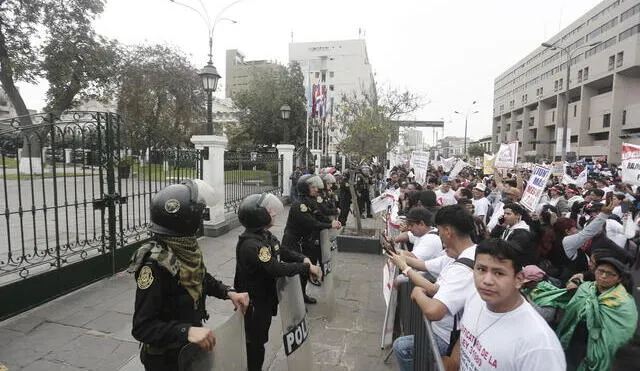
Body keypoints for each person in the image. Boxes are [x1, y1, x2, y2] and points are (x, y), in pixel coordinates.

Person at [129, 180, 250, 371]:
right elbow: (142, 327)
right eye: (199, 215)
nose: (202, 218)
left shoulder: (185, 249)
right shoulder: (154, 266)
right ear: (186, 221)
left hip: (190, 349)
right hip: (166, 360)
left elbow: (200, 277)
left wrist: (228, 292)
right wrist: (187, 331)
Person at [441, 238, 566, 371]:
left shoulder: (540, 345)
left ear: (518, 279)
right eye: (481, 269)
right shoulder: (475, 296)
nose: (487, 281)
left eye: (499, 273)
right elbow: (464, 343)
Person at [234, 193, 322, 371]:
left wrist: (303, 258)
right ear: (258, 216)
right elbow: (276, 268)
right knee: (256, 343)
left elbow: (282, 250)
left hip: (265, 299)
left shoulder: (264, 235)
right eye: (269, 211)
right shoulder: (252, 245)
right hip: (254, 303)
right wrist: (306, 268)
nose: (273, 213)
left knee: (259, 340)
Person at [389, 205, 477, 371]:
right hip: (446, 331)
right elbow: (424, 265)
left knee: (402, 347)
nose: (439, 235)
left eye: (440, 230)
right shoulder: (456, 255)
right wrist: (402, 259)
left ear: (448, 231)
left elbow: (433, 310)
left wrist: (417, 292)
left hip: (447, 337)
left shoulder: (463, 268)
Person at [557, 257, 637, 370]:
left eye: (610, 274)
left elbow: (620, 335)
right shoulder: (585, 288)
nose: (603, 276)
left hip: (598, 349)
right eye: (600, 271)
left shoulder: (624, 302)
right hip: (573, 340)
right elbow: (571, 310)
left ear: (619, 279)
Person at [282, 174, 341, 304]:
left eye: (316, 187)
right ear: (304, 188)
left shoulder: (311, 202)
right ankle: (296, 300)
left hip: (306, 241)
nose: (316, 189)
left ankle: (302, 295)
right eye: (312, 187)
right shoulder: (299, 205)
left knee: (306, 270)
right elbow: (311, 223)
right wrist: (330, 224)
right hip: (293, 243)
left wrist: (331, 222)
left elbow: (319, 216)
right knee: (297, 272)